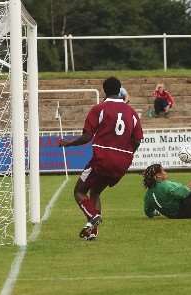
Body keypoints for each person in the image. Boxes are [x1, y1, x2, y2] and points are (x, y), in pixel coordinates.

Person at [59, 77, 144, 241]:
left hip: (102, 159)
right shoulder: (132, 112)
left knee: (79, 191)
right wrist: (126, 155)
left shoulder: (100, 109)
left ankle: (93, 217)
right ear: (120, 90)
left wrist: (68, 144)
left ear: (104, 90)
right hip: (122, 163)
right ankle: (92, 231)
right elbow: (138, 140)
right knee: (95, 192)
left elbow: (87, 137)